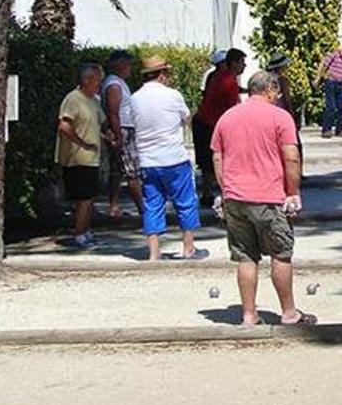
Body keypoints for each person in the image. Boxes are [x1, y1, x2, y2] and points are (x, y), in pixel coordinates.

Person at [211, 71, 316, 327]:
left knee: (246, 256)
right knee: (281, 254)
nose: (277, 96)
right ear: (270, 90)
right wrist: (293, 192)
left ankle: (248, 314)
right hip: (270, 197)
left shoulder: (227, 117)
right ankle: (289, 313)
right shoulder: (280, 117)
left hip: (236, 198)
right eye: (276, 92)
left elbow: (217, 157)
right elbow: (291, 157)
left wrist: (226, 190)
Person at [130, 56, 209, 262]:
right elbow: (186, 118)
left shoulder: (134, 98)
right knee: (185, 202)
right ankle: (188, 248)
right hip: (174, 158)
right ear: (162, 75)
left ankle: (154, 253)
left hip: (148, 160)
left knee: (152, 205)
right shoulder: (173, 95)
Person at [55, 63, 108, 248]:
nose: (100, 84)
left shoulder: (93, 100)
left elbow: (101, 122)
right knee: (83, 198)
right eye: (97, 80)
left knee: (90, 197)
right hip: (77, 157)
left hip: (92, 157)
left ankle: (85, 230)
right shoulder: (73, 99)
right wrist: (83, 143)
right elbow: (64, 126)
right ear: (86, 80)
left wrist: (108, 135)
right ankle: (79, 233)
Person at [193, 48, 246, 204]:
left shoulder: (220, 76)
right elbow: (232, 110)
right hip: (210, 123)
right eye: (242, 62)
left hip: (205, 122)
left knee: (208, 161)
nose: (244, 66)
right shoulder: (229, 80)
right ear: (234, 63)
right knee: (216, 159)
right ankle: (226, 192)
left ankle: (208, 193)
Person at [102, 50, 144, 218]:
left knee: (118, 170)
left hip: (124, 128)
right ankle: (142, 208)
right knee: (132, 171)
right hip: (123, 129)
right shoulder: (114, 85)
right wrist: (119, 135)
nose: (130, 68)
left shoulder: (117, 83)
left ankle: (114, 206)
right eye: (128, 64)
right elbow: (113, 112)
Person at [266, 53, 303, 168]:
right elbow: (287, 100)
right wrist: (292, 115)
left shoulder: (266, 79)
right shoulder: (282, 80)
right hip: (282, 113)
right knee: (294, 143)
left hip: (269, 113)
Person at [315, 40, 342, 138]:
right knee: (331, 107)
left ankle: (339, 130)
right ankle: (326, 130)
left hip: (339, 84)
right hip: (331, 82)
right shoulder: (334, 54)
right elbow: (323, 65)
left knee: (341, 107)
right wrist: (318, 78)